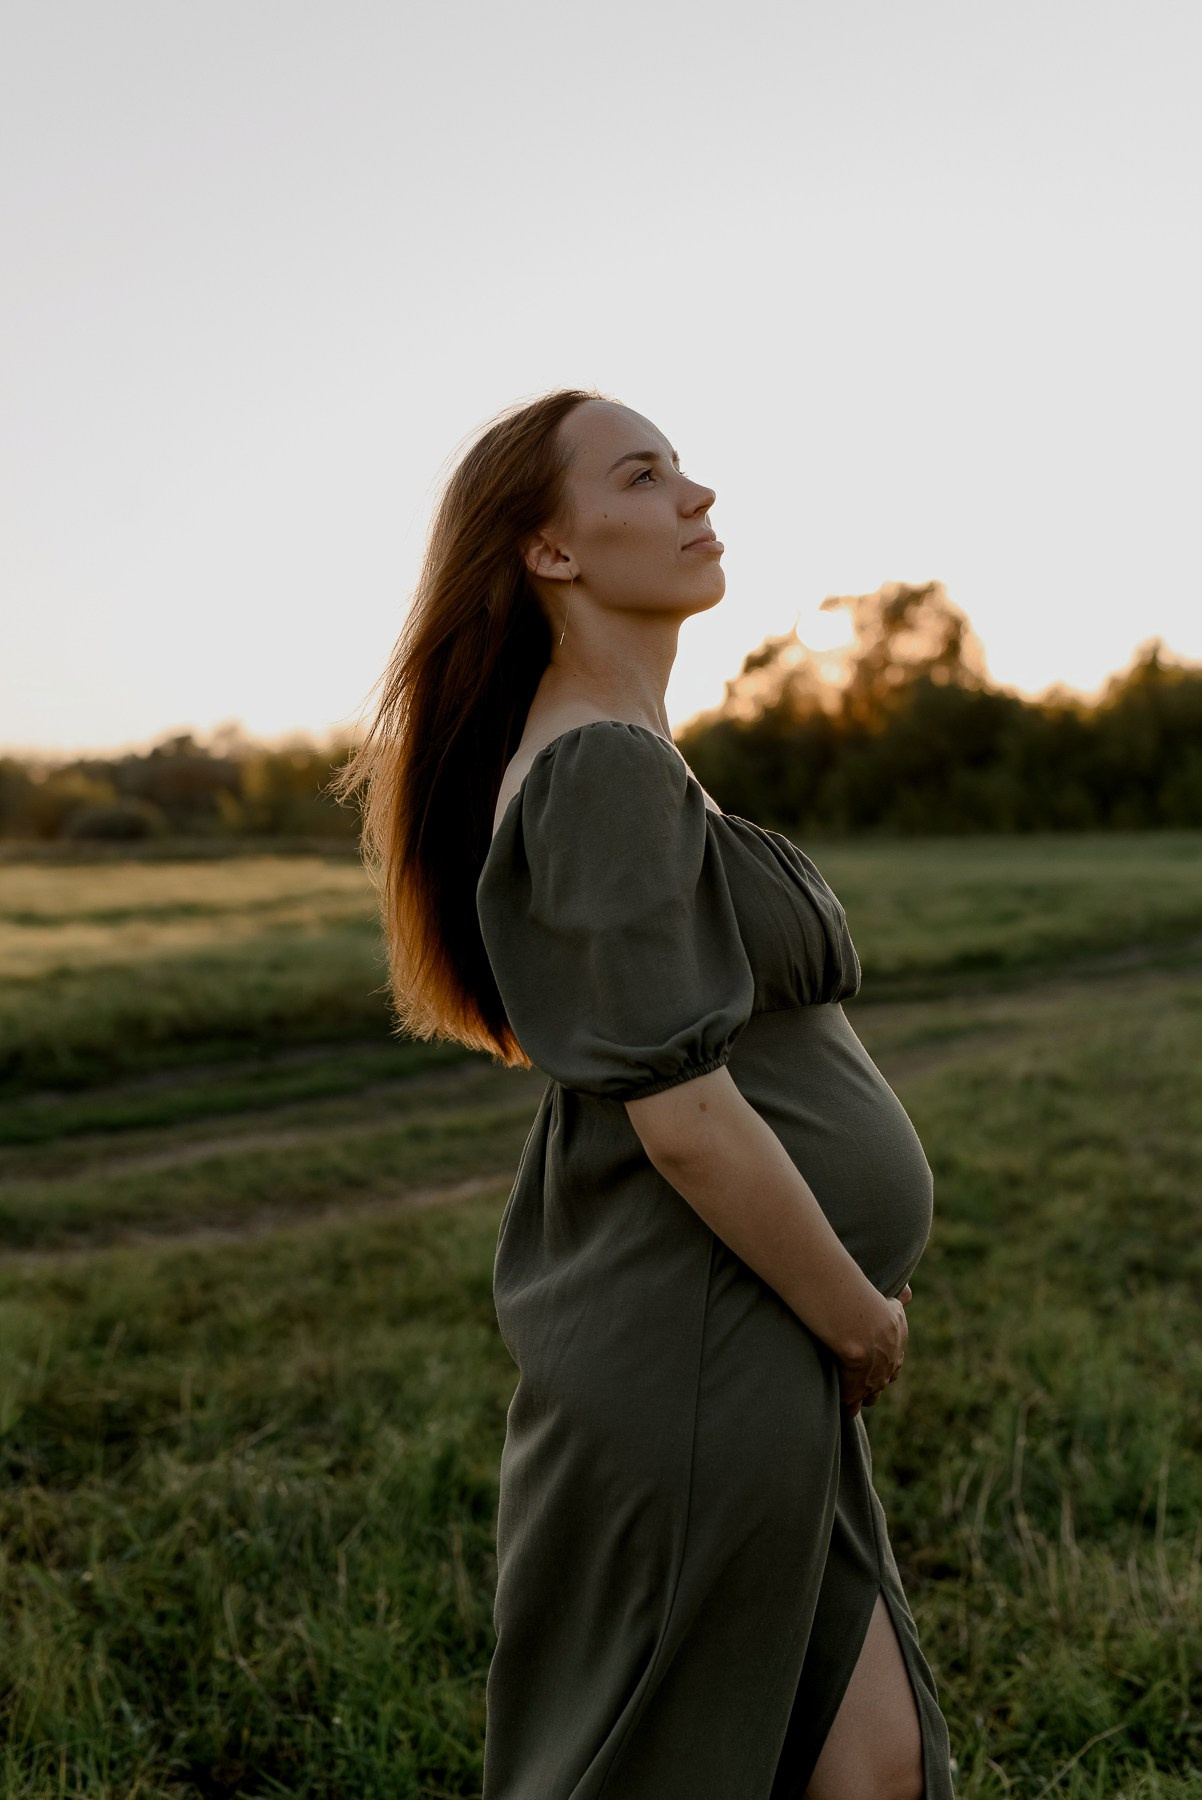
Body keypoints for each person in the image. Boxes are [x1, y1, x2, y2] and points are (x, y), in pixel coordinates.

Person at [342, 389, 955, 1798]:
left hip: (743, 1330)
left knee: (870, 1763)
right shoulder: (596, 772)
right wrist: (852, 1314)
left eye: (683, 467)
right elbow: (680, 1118)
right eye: (643, 473)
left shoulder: (624, 758)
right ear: (549, 549)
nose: (697, 496)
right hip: (702, 1335)